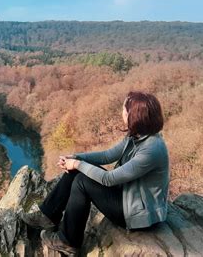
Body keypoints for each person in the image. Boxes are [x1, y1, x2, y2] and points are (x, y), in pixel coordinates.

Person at [20, 91, 170, 256]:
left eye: (124, 110)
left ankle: (68, 242)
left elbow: (109, 179)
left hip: (136, 214)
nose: (122, 112)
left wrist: (77, 163)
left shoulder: (152, 149)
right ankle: (47, 215)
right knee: (75, 172)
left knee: (81, 181)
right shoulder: (136, 136)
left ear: (134, 116)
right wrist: (76, 158)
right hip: (125, 196)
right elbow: (107, 155)